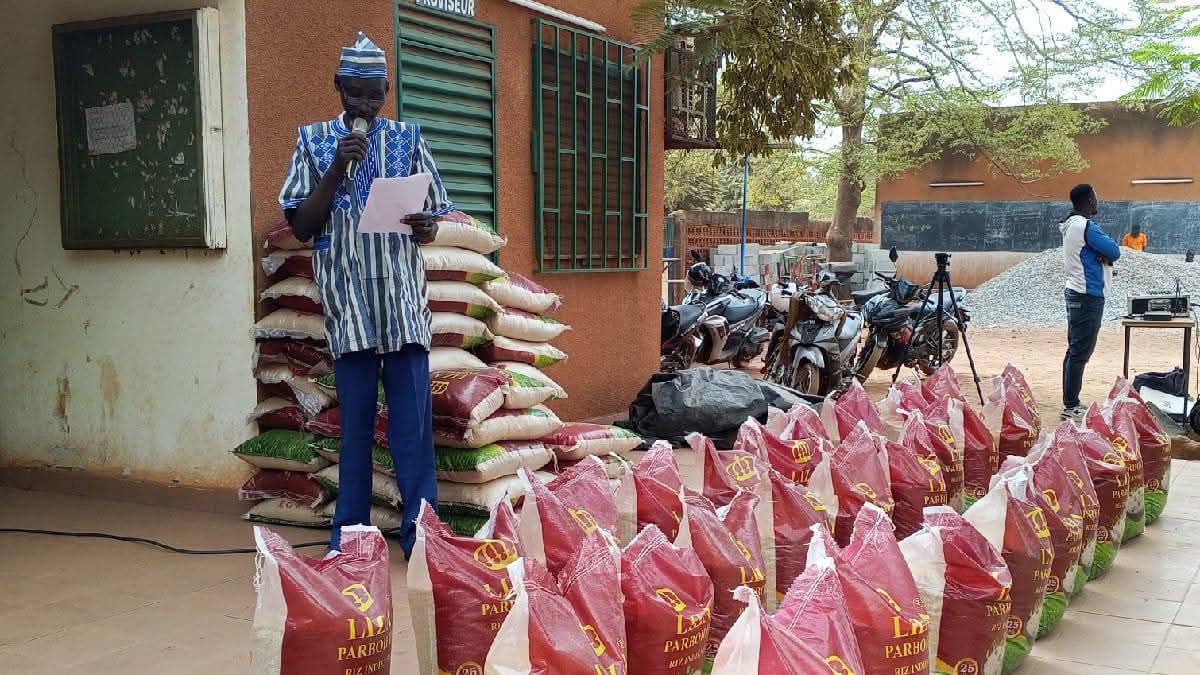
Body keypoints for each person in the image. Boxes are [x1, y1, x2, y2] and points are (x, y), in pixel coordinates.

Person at [279, 32, 453, 554]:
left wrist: (426, 226)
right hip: (349, 307)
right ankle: (350, 538)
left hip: (400, 304)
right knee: (354, 432)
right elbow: (303, 226)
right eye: (355, 94)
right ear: (337, 87)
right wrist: (337, 165)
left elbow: (436, 217)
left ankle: (422, 537)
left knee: (412, 433)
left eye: (374, 94)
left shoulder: (408, 138)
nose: (365, 105)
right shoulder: (312, 142)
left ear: (386, 91)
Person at [1060, 183, 1121, 421]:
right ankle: (1071, 404)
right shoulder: (1086, 227)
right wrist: (1105, 255)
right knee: (1080, 352)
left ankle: (1070, 401)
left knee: (1074, 349)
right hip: (1088, 296)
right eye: (1095, 197)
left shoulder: (1070, 225)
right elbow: (1114, 251)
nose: (1098, 201)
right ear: (1089, 201)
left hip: (1076, 292)